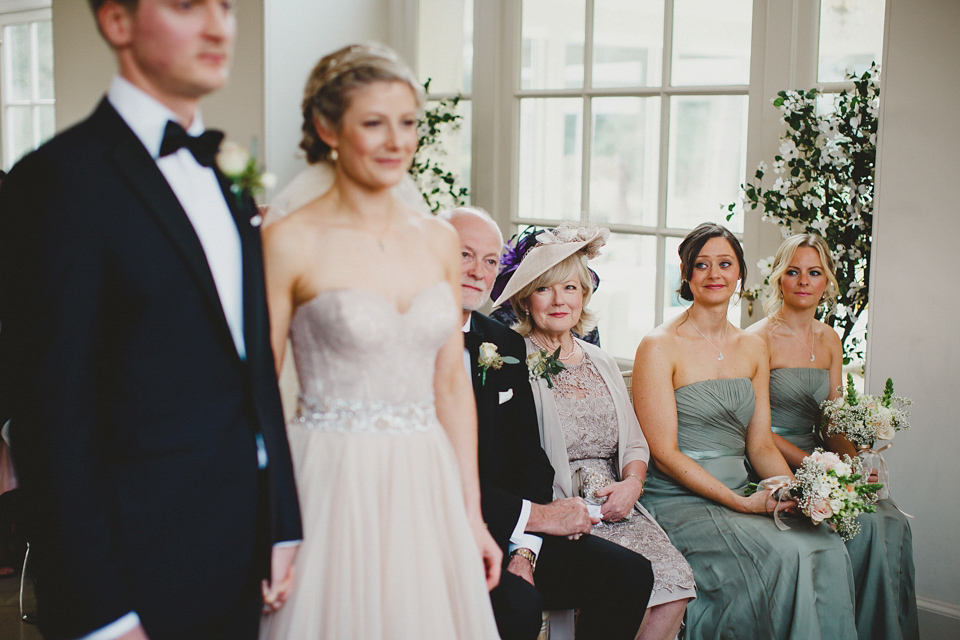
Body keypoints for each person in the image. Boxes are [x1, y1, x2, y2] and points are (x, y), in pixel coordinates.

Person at [0, 1, 302, 639]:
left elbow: (252, 373)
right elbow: (49, 418)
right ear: (117, 23)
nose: (220, 26)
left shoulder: (229, 181)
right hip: (129, 566)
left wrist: (280, 520)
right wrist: (100, 614)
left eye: (226, 6)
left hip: (240, 555)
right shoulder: (56, 182)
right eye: (189, 6)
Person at [257, 45, 501, 639]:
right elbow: (254, 394)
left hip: (424, 481)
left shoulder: (439, 241)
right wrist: (269, 523)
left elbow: (449, 386)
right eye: (374, 122)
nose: (396, 141)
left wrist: (471, 514)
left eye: (408, 122)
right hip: (327, 477)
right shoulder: (289, 239)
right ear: (326, 128)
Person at [633, 222, 859, 640]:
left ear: (740, 275)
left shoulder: (753, 347)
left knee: (825, 544)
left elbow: (759, 444)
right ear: (686, 275)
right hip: (681, 498)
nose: (714, 274)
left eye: (725, 263)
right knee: (785, 555)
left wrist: (797, 493)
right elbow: (664, 453)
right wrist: (740, 503)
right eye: (702, 265)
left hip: (744, 490)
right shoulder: (659, 346)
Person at [442, 207, 655, 640]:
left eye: (489, 261)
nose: (477, 271)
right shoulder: (405, 338)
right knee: (518, 609)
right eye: (464, 254)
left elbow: (530, 461)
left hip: (513, 529)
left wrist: (525, 548)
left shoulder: (498, 343)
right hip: (441, 524)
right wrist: (537, 518)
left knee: (630, 574)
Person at [492, 223, 694, 640]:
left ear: (584, 295)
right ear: (526, 300)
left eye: (570, 288)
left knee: (675, 584)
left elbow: (635, 442)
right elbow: (515, 461)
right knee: (629, 583)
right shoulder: (513, 360)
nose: (559, 300)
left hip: (618, 507)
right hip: (559, 507)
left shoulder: (599, 360)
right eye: (545, 289)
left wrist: (632, 485)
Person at [747, 233, 919, 640]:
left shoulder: (829, 339)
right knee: (851, 522)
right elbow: (757, 430)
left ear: (827, 282)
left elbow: (831, 421)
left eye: (814, 272)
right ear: (779, 280)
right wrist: (825, 470)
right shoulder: (758, 339)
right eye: (793, 272)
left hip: (823, 458)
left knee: (888, 520)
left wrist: (858, 462)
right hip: (774, 455)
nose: (803, 281)